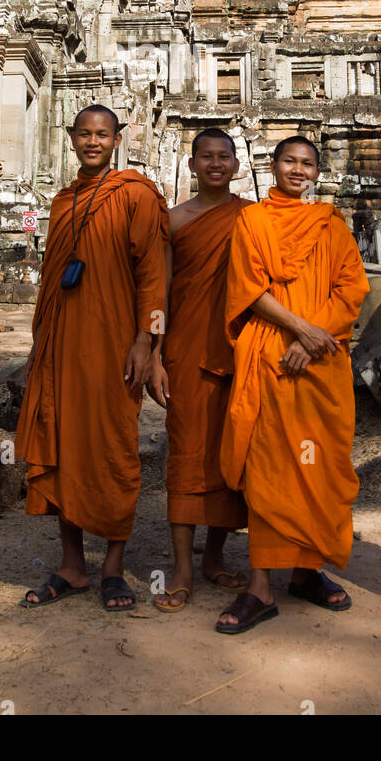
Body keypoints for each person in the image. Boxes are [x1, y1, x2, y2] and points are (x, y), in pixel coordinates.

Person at [15, 105, 168, 611]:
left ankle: (113, 569)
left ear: (118, 140)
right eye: (84, 133)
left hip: (114, 349)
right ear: (72, 138)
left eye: (103, 134)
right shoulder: (62, 202)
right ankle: (72, 565)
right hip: (61, 347)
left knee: (114, 450)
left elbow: (153, 277)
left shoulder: (136, 195)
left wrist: (147, 342)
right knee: (60, 445)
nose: (93, 142)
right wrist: (40, 343)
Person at [216, 136, 369, 634]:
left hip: (320, 360)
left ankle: (307, 570)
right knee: (268, 468)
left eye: (306, 164)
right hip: (270, 354)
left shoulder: (330, 224)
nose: (297, 170)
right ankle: (260, 586)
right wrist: (300, 329)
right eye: (289, 161)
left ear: (317, 173)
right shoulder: (253, 220)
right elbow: (247, 287)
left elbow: (353, 288)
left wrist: (313, 337)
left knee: (319, 463)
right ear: (274, 166)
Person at [149, 128, 249, 611]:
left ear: (236, 165)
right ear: (191, 166)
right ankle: (182, 566)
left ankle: (213, 555)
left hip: (241, 349)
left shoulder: (253, 217)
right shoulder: (172, 221)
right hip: (185, 351)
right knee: (188, 452)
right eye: (205, 157)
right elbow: (159, 295)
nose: (215, 164)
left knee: (232, 453)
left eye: (223, 157)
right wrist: (153, 356)